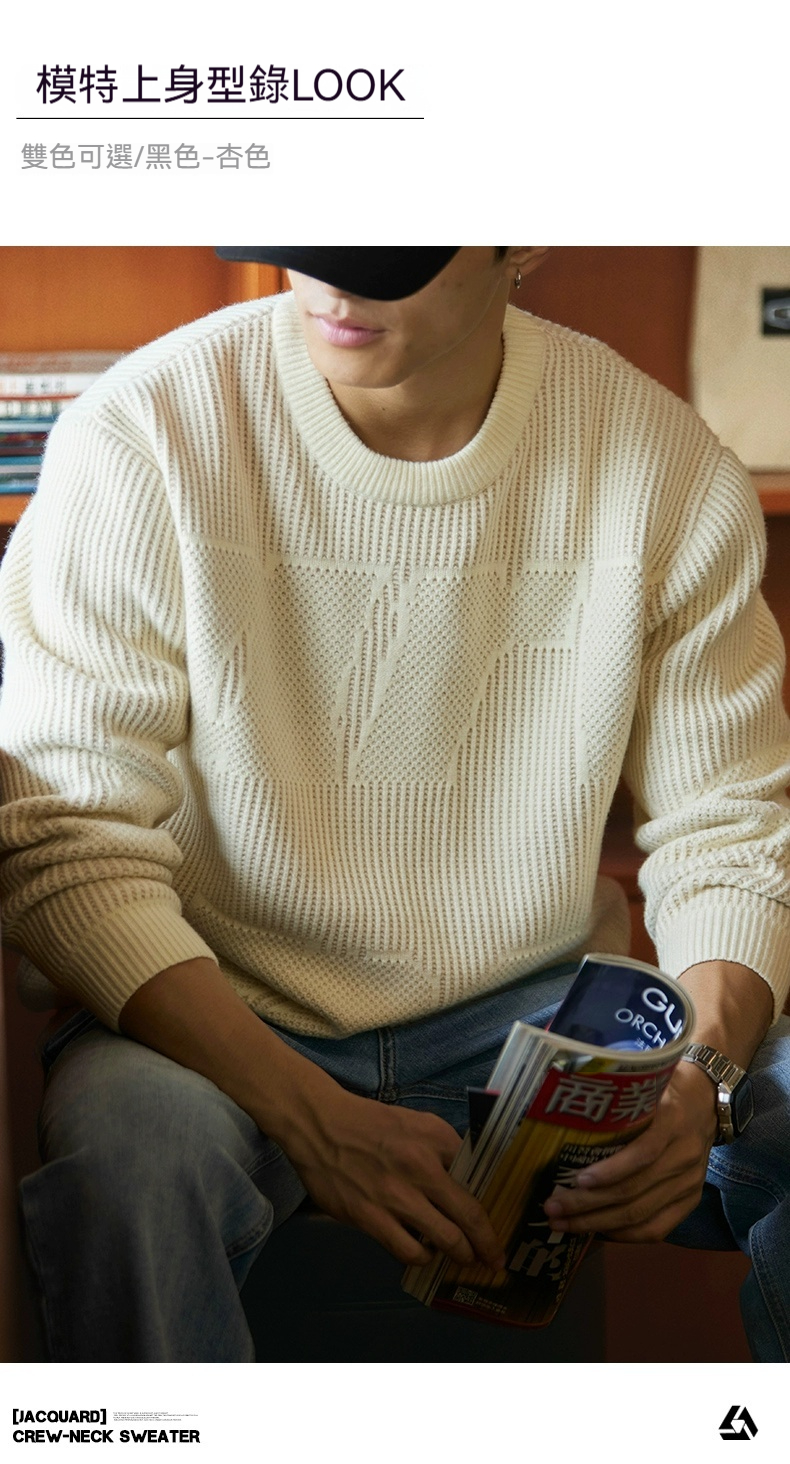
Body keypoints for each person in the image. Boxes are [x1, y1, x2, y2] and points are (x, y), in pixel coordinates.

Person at [1, 246, 789, 1363]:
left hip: (531, 1012)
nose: (333, 287)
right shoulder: (143, 432)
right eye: (305, 242)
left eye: (389, 254)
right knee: (131, 1160)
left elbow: (731, 827)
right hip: (216, 1007)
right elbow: (71, 842)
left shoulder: (661, 462)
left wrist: (703, 1073)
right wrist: (307, 1116)